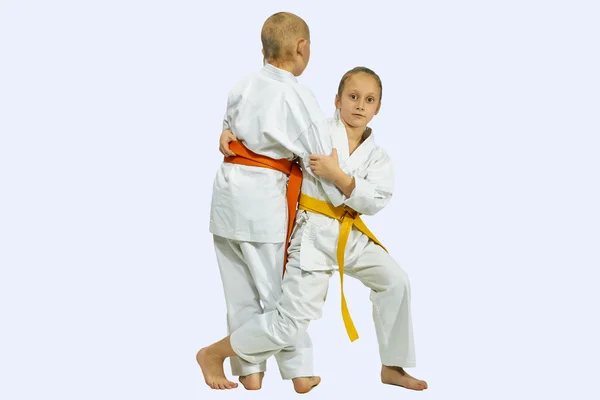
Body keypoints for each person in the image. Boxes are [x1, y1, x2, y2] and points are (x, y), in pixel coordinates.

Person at [199, 67, 429, 392]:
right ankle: (214, 353)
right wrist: (229, 132)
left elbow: (377, 199)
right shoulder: (315, 131)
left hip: (351, 236)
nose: (360, 105)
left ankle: (392, 366)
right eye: (353, 97)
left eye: (369, 99)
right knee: (288, 325)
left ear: (378, 108)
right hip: (313, 236)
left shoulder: (377, 156)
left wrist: (341, 177)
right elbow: (269, 134)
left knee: (396, 281)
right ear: (337, 100)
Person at [205, 11, 347, 393]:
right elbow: (321, 157)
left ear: (263, 49)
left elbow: (228, 126)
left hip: (225, 194)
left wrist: (224, 134)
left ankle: (250, 373)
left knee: (239, 291)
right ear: (301, 48)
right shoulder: (296, 95)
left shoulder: (243, 83)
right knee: (278, 293)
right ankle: (299, 372)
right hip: (261, 200)